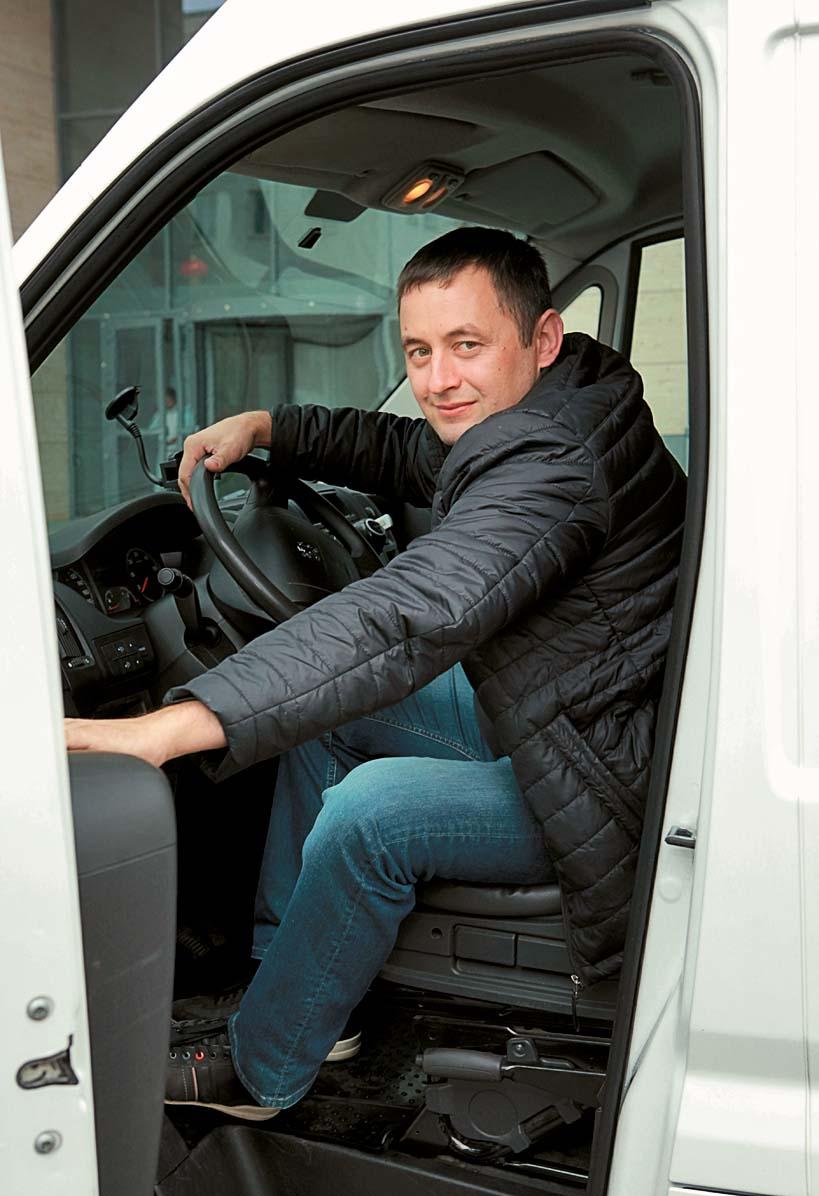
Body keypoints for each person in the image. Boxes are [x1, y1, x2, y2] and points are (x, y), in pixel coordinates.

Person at [65, 227, 686, 1119]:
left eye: (465, 345)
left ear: (542, 337)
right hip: (587, 717)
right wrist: (273, 428)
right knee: (327, 717)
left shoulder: (553, 465)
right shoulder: (566, 396)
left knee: (370, 813)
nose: (438, 379)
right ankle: (300, 989)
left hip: (603, 781)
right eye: (419, 351)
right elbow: (409, 453)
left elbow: (406, 613)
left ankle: (264, 1068)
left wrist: (166, 727)